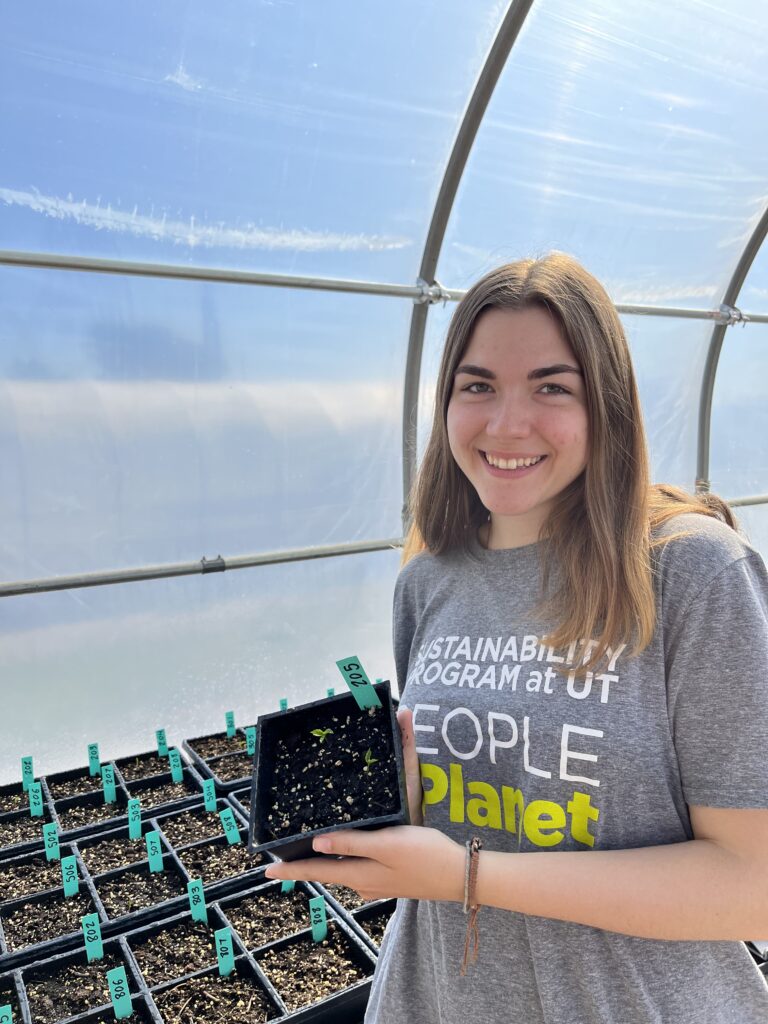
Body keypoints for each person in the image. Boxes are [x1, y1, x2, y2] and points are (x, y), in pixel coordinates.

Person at [264, 253, 768, 1023]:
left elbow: (753, 887)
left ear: (607, 405)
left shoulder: (691, 572)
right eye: (478, 386)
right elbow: (472, 812)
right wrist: (394, 807)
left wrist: (468, 875)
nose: (506, 424)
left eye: (550, 387)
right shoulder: (429, 580)